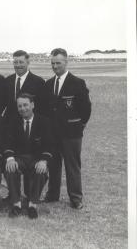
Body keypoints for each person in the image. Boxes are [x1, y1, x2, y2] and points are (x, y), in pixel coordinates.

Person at [44, 48, 91, 209]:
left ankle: (76, 198)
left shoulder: (77, 83)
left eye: (58, 63)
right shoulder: (49, 84)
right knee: (53, 165)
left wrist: (79, 126)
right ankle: (52, 195)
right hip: (53, 134)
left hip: (71, 134)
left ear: (66, 62)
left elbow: (86, 110)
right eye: (53, 63)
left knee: (72, 167)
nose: (55, 66)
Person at [3, 93, 53, 219]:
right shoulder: (13, 121)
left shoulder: (44, 121)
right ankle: (16, 204)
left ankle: (32, 205)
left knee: (41, 171)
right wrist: (10, 159)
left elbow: (49, 145)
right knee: (10, 168)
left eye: (25, 105)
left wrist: (44, 161)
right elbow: (7, 142)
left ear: (32, 105)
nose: (23, 108)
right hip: (19, 158)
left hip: (36, 159)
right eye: (19, 106)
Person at [4, 50, 46, 121]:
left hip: (29, 124)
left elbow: (42, 108)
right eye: (15, 62)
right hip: (10, 124)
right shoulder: (7, 81)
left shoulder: (39, 82)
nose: (18, 65)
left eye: (21, 62)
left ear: (28, 62)